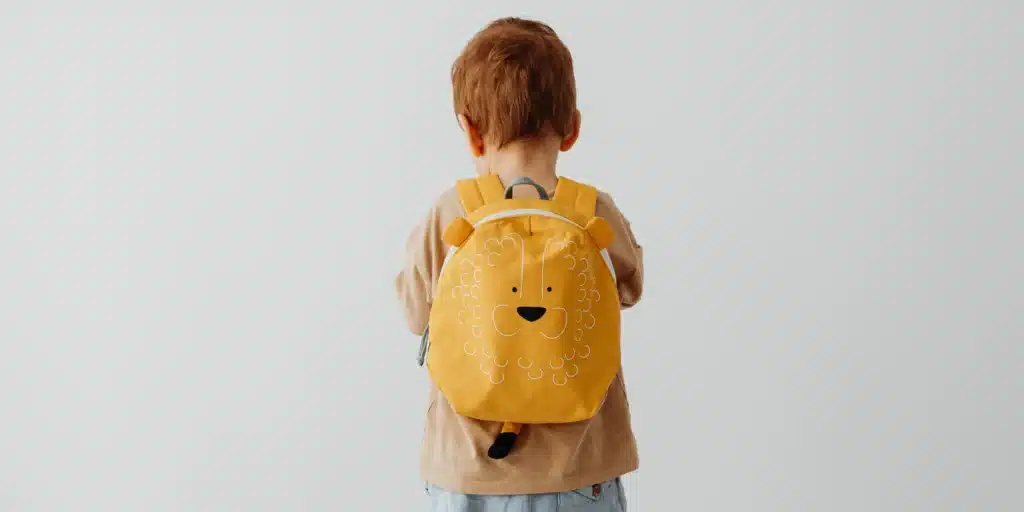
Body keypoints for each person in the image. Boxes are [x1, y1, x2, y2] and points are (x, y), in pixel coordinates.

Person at [395, 17, 644, 511]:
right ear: (572, 127)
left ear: (470, 131)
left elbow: (414, 314)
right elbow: (630, 287)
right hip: (579, 472)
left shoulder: (451, 211)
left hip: (467, 470)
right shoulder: (593, 209)